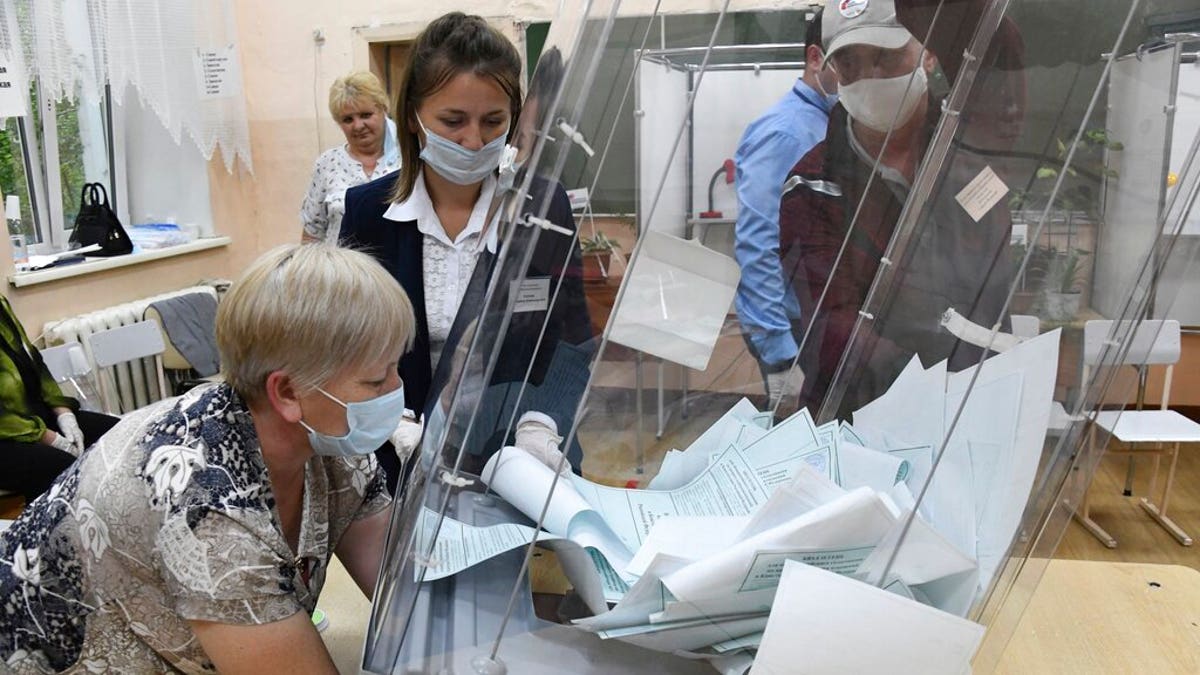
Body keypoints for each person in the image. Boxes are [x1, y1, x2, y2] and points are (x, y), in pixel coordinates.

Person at [0, 244, 415, 673]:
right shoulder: (208, 508)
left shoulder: (326, 438)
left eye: (394, 367)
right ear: (288, 392)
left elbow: (400, 586)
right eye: (376, 378)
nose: (395, 389)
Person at [341, 13, 591, 487]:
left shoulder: (542, 206)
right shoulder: (368, 213)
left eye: (494, 122)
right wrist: (391, 424)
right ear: (413, 118)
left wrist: (541, 423)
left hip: (515, 456)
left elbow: (571, 338)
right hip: (404, 458)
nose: (474, 141)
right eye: (453, 121)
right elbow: (346, 345)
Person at [778, 0, 1025, 416]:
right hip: (857, 415)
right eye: (850, 64)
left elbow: (988, 289)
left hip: (974, 405)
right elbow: (829, 326)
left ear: (929, 55)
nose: (869, 77)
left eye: (886, 57)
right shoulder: (813, 185)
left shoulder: (969, 158)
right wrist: (932, 383)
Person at [733, 9, 838, 409]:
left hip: (818, 317)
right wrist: (779, 354)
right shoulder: (785, 132)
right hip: (790, 325)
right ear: (815, 58)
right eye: (845, 62)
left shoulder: (830, 124)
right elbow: (758, 243)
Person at [0, 296, 118, 503]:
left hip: (34, 418)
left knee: (117, 434)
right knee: (61, 466)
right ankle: (44, 531)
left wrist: (64, 413)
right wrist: (47, 437)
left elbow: (33, 361)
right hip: (6, 435)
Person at [301, 71, 401, 243]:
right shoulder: (327, 164)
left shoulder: (408, 159)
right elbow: (312, 233)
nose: (358, 126)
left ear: (383, 109)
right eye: (348, 119)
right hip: (340, 269)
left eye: (366, 115)